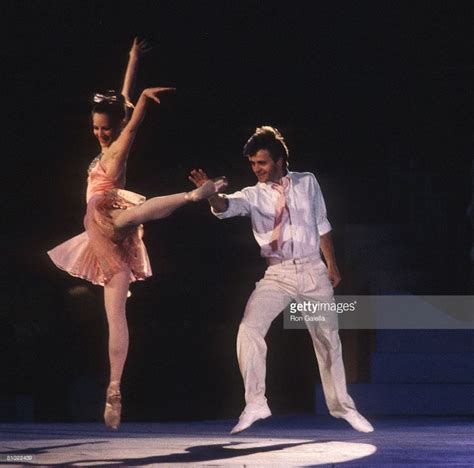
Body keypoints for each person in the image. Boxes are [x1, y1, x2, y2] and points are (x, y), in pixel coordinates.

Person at [48, 38, 226, 429]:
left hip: (109, 217)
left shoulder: (117, 148)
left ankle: (194, 194)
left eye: (107, 129)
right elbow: (122, 101)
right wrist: (131, 63)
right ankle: (113, 389)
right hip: (102, 237)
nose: (101, 135)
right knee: (115, 316)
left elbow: (134, 116)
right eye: (96, 128)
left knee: (118, 213)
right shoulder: (109, 131)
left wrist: (143, 98)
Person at [189, 126, 374, 434]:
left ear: (277, 160)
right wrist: (212, 196)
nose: (256, 169)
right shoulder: (252, 194)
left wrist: (332, 264)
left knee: (328, 340)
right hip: (277, 275)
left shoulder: (308, 182)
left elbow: (321, 224)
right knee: (249, 328)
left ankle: (343, 407)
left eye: (261, 163)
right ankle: (256, 403)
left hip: (313, 271)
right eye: (252, 164)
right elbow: (225, 207)